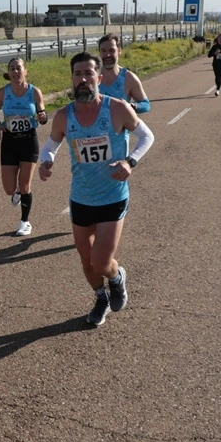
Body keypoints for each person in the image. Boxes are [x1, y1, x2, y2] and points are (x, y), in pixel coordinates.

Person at [38, 52, 155, 327]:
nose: (82, 79)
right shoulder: (64, 116)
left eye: (88, 74)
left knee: (101, 263)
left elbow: (146, 136)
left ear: (99, 78)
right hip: (81, 197)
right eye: (77, 74)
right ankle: (100, 298)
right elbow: (51, 145)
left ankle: (116, 277)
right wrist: (46, 161)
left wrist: (130, 161)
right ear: (72, 79)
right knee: (86, 261)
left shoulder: (118, 109)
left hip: (112, 195)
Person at [0, 58, 48, 237]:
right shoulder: (3, 92)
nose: (16, 71)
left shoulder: (34, 92)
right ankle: (16, 192)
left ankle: (25, 222)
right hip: (9, 142)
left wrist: (42, 117)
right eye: (12, 69)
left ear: (25, 71)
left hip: (29, 142)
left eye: (19, 68)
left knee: (25, 185)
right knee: (9, 189)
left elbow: (43, 115)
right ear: (9, 73)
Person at [97, 33, 151, 113]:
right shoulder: (92, 77)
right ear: (99, 52)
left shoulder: (129, 78)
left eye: (111, 50)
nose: (107, 55)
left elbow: (146, 104)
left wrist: (132, 106)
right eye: (103, 51)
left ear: (119, 51)